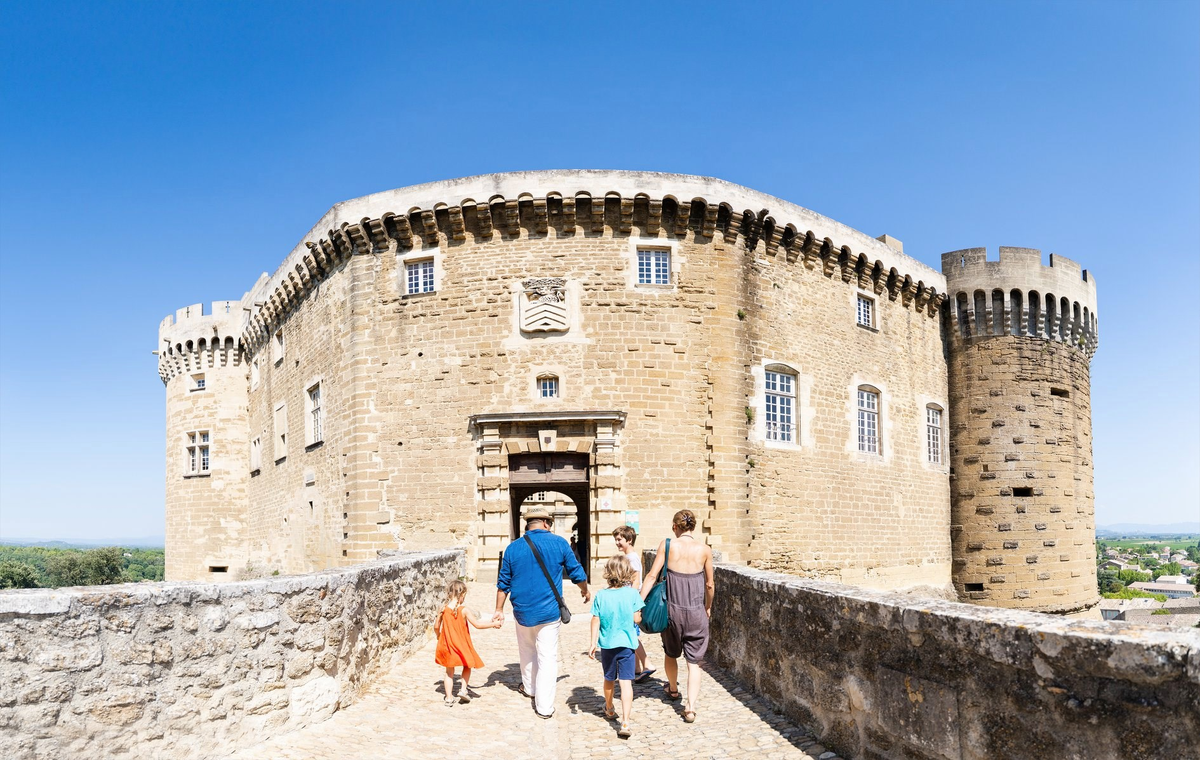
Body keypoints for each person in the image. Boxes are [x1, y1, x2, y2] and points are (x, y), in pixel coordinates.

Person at [493, 506, 590, 718]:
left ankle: (530, 689)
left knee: (527, 651)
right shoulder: (559, 543)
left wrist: (499, 609)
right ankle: (544, 707)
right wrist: (585, 590)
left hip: (522, 612)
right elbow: (576, 572)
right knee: (547, 657)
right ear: (546, 523)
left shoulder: (513, 548)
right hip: (549, 612)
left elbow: (503, 583)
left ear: (528, 525)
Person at [639, 509, 714, 724]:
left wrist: (638, 604)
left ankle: (672, 689)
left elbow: (652, 576)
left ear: (674, 527)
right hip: (696, 612)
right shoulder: (705, 550)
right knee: (694, 662)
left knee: (671, 653)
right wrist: (707, 607)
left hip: (672, 612)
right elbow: (709, 584)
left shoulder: (667, 545)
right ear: (694, 527)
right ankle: (690, 707)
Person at [589, 555, 644, 739]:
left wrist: (592, 643)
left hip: (608, 645)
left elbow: (595, 619)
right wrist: (638, 617)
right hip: (627, 645)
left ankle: (610, 708)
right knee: (626, 682)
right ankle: (626, 721)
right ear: (627, 572)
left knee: (609, 678)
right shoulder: (632, 594)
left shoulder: (601, 595)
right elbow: (637, 618)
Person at [434, 580, 500, 705]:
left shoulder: (442, 609)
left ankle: (448, 698)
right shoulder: (464, 610)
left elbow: (436, 626)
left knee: (449, 672)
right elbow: (478, 625)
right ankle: (463, 690)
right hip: (462, 644)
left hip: (448, 645)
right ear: (462, 594)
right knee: (467, 665)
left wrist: (439, 637)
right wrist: (494, 624)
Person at [612, 525, 656, 682]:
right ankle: (637, 669)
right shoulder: (628, 557)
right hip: (629, 600)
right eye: (615, 540)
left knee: (630, 634)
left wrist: (631, 602)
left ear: (629, 540)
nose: (617, 543)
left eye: (619, 539)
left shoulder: (632, 558)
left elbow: (636, 581)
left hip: (630, 602)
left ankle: (647, 664)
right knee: (632, 633)